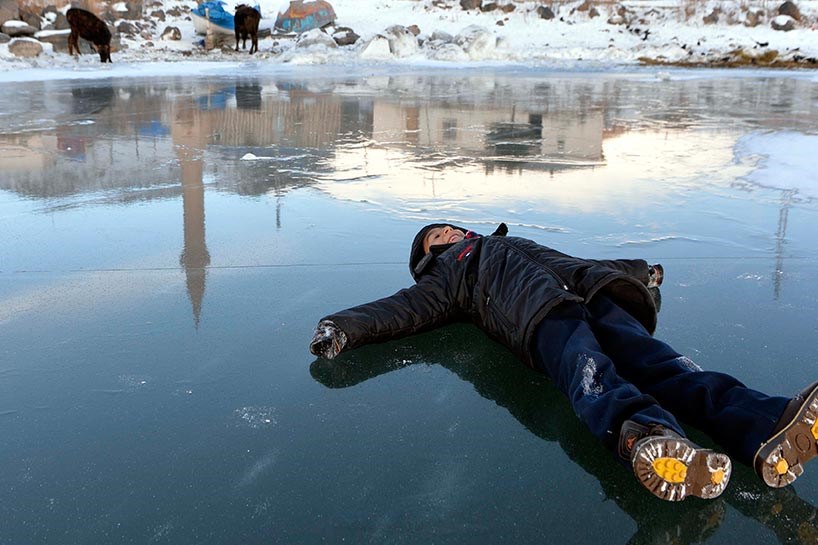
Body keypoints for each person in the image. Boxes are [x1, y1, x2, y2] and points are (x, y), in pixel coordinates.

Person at [309, 222, 818, 502]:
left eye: (447, 228)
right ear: (426, 257)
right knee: (588, 369)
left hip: (589, 294)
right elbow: (399, 310)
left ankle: (764, 427)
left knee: (666, 364)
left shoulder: (504, 240)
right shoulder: (445, 276)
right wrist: (344, 325)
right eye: (433, 238)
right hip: (535, 317)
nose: (446, 234)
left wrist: (641, 272)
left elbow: (577, 260)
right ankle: (649, 438)